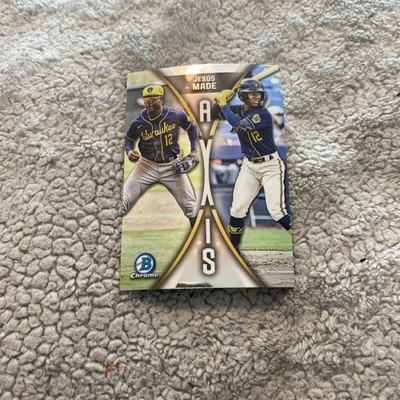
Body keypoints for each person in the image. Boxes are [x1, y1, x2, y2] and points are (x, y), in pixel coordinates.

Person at [211, 78, 291, 252]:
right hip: (249, 166)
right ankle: (233, 250)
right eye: (251, 94)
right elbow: (212, 114)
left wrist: (224, 106)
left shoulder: (263, 114)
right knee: (237, 208)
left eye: (258, 94)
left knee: (276, 211)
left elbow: (240, 126)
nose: (256, 97)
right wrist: (220, 100)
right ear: (242, 96)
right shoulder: (237, 109)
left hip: (270, 165)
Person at [123, 85, 199, 227]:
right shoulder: (138, 122)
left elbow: (192, 128)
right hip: (146, 166)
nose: (149, 103)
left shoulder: (175, 115)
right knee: (123, 202)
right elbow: (129, 138)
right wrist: (129, 150)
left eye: (153, 99)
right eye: (146, 100)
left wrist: (194, 151)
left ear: (161, 99)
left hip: (172, 166)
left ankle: (198, 238)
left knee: (191, 207)